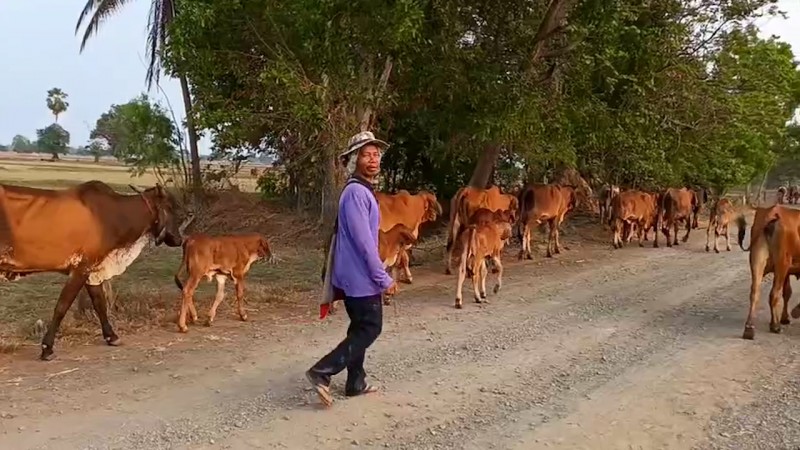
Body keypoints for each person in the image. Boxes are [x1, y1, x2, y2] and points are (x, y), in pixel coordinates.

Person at [306, 131, 398, 407]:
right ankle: (322, 370)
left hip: (356, 273)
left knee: (360, 326)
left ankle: (355, 382)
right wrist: (383, 278)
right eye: (366, 154)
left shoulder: (360, 190)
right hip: (360, 276)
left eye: (376, 154)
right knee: (371, 327)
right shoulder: (357, 193)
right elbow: (363, 243)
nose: (373, 159)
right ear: (354, 159)